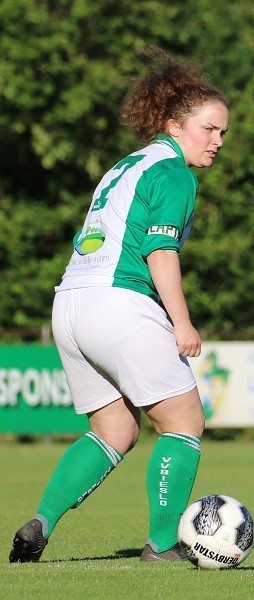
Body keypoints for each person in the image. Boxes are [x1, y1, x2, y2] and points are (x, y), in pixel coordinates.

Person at [9, 48, 229, 563]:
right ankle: (163, 544)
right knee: (184, 422)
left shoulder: (128, 164)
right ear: (175, 124)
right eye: (209, 129)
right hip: (118, 303)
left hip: (70, 303)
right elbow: (159, 250)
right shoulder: (175, 172)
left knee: (115, 431)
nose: (218, 142)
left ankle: (40, 522)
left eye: (223, 133)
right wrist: (182, 321)